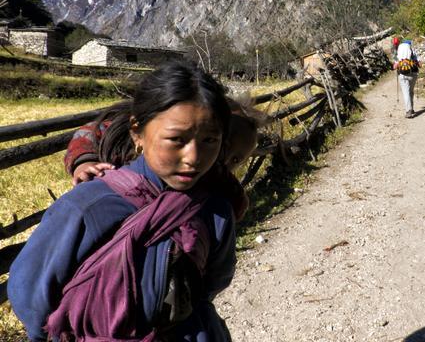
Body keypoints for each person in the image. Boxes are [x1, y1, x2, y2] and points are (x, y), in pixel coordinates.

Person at [9, 61, 237, 341]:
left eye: (210, 140)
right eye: (176, 139)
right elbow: (30, 295)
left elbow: (212, 283)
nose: (193, 157)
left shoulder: (215, 210)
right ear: (136, 132)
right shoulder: (89, 207)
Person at [64, 97, 266, 221]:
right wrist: (85, 163)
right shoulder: (140, 133)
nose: (225, 161)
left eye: (236, 160)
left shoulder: (218, 178)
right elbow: (90, 133)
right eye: (223, 147)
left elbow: (237, 206)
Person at [393, 37, 420, 118]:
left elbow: (394, 67)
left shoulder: (398, 54)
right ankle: (411, 109)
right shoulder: (413, 52)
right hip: (413, 75)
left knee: (406, 92)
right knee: (411, 91)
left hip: (403, 75)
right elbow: (420, 65)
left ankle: (408, 111)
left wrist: (398, 64)